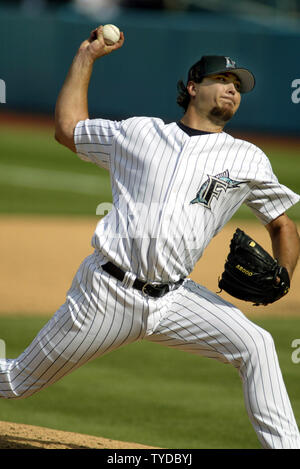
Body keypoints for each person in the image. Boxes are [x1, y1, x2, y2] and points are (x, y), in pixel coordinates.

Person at [1, 26, 299, 450]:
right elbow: (69, 129)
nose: (232, 91)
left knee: (256, 344)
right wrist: (86, 57)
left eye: (238, 87)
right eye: (223, 81)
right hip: (107, 295)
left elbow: (283, 225)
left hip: (176, 300)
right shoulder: (139, 134)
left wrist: (283, 274)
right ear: (193, 86)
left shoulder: (248, 157)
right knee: (16, 382)